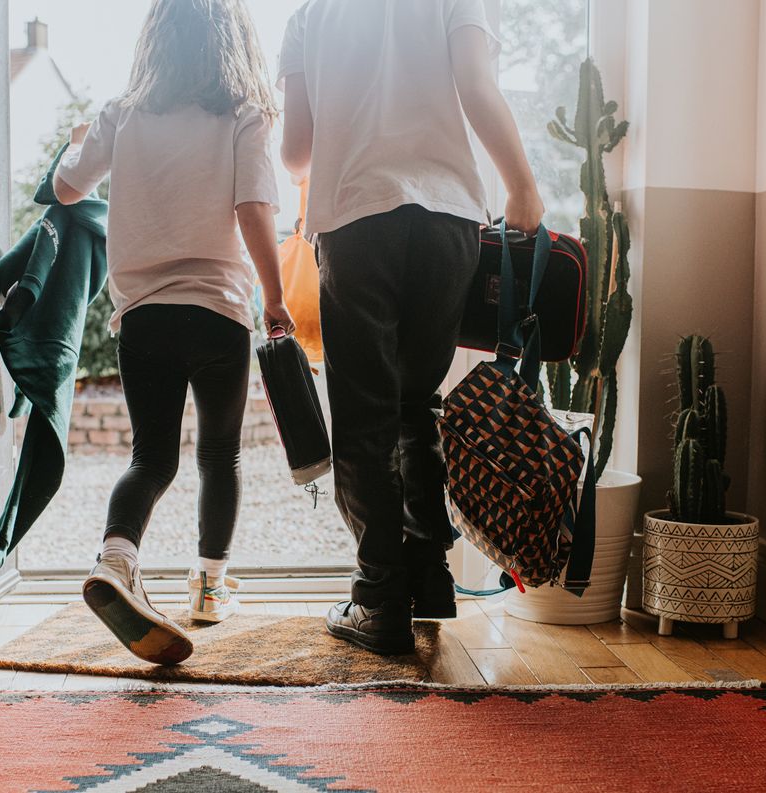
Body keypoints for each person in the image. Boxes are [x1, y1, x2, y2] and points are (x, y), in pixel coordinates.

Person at [279, 0, 545, 655]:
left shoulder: (312, 15)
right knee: (417, 402)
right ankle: (428, 574)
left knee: (366, 416)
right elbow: (476, 86)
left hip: (356, 218)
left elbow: (295, 153)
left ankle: (378, 598)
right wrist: (522, 187)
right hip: (449, 220)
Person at [53, 0, 294, 666]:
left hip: (145, 317)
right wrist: (273, 297)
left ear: (154, 39)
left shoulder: (122, 114)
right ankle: (211, 587)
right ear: (232, 41)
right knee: (221, 455)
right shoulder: (245, 114)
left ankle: (115, 560)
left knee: (151, 458)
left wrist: (78, 139)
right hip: (218, 314)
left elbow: (66, 188)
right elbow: (253, 209)